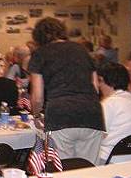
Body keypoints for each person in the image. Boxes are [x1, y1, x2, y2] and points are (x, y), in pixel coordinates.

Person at [29, 17, 104, 164]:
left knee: (65, 168)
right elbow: (95, 86)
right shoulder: (81, 50)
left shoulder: (40, 54)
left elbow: (37, 97)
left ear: (38, 36)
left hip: (60, 113)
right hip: (91, 113)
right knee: (89, 167)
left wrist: (36, 116)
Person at [97, 62, 131, 164]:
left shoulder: (108, 104)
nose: (98, 85)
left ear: (103, 80)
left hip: (114, 159)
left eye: (99, 81)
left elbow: (98, 136)